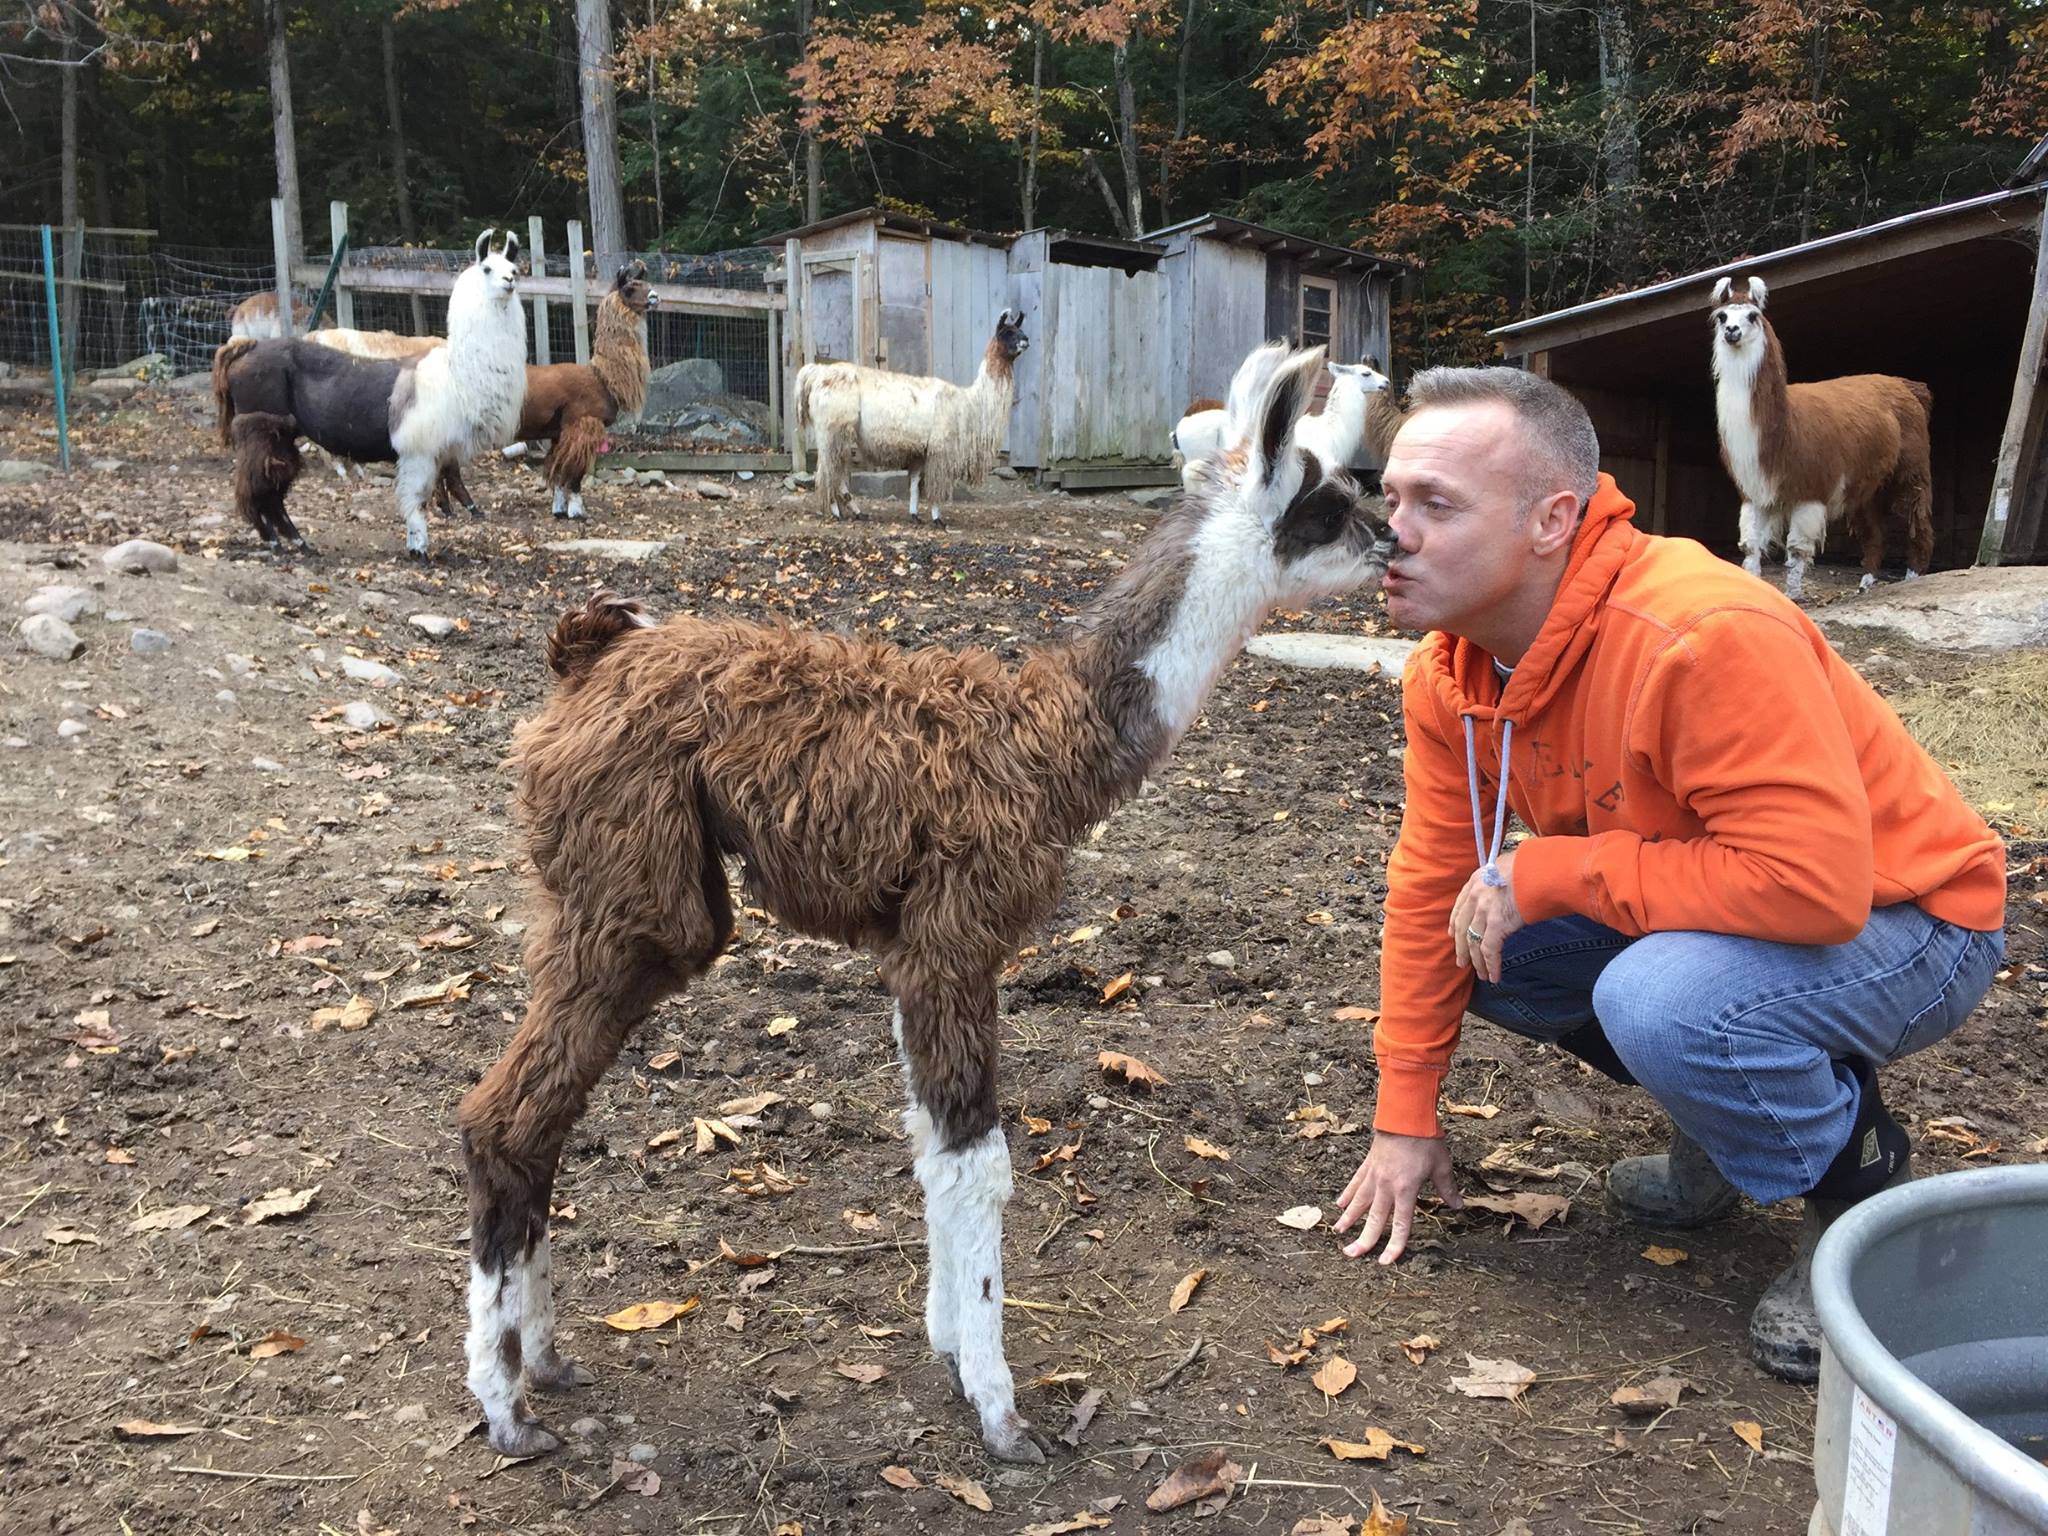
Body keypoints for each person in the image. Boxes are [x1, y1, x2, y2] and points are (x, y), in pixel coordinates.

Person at [1334, 365, 2006, 1381]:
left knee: (1662, 998)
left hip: (1913, 921)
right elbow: (1431, 883)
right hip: (1745, 907)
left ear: (1550, 520)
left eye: (1434, 505)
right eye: (1388, 499)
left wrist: (1554, 871)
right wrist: (1404, 1114)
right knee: (1475, 945)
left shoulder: (1699, 634)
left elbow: (1813, 890)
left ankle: (1854, 1201)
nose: (1390, 535)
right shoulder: (1453, 671)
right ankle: (1722, 1134)